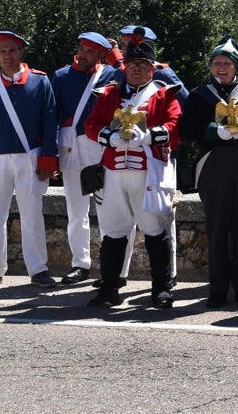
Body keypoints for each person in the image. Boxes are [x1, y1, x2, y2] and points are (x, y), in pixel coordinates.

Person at [83, 37, 182, 308]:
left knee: (154, 230)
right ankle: (109, 289)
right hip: (113, 173)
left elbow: (176, 126)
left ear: (153, 69)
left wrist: (150, 136)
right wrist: (108, 137)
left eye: (143, 64)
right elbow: (91, 124)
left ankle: (161, 290)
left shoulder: (163, 94)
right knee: (113, 232)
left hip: (149, 173)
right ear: (124, 67)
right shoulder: (109, 95)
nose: (137, 68)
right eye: (132, 63)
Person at [180, 38, 238, 308]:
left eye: (227, 64)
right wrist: (211, 131)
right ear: (210, 67)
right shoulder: (199, 96)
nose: (222, 68)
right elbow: (186, 131)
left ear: (236, 67)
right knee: (218, 229)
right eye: (217, 63)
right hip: (214, 165)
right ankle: (218, 288)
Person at [0, 31, 59, 289]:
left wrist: (49, 159)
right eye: (2, 51)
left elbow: (50, 122)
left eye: (12, 50)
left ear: (21, 53)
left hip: (31, 158)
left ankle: (38, 269)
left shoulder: (41, 82)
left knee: (33, 216)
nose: (7, 56)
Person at [51, 31, 117, 285]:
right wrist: (50, 155)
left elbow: (135, 74)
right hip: (69, 147)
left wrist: (115, 54)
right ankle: (80, 264)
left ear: (101, 54)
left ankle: (111, 267)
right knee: (76, 212)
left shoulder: (112, 74)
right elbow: (51, 117)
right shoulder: (61, 76)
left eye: (90, 51)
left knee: (107, 210)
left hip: (99, 148)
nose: (82, 55)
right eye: (81, 49)